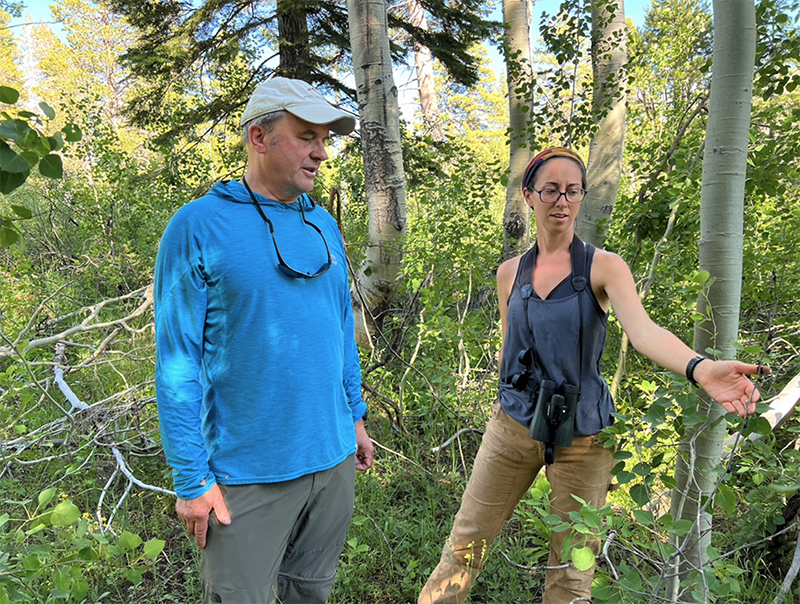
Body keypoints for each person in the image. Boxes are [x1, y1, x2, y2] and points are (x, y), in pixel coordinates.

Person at [418, 147, 766, 604]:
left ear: (581, 197)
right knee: (464, 546)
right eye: (550, 190)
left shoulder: (604, 266)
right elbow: (511, 347)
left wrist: (698, 367)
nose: (562, 201)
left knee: (572, 571)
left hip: (585, 436)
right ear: (528, 195)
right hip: (514, 428)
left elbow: (643, 332)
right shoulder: (510, 274)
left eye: (572, 191)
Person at [153, 76, 374, 604]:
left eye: (325, 139)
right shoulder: (198, 226)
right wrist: (191, 480)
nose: (321, 152)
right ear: (259, 137)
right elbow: (177, 363)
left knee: (310, 593)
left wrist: (355, 416)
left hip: (334, 459)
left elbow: (340, 327)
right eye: (306, 136)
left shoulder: (322, 223)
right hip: (246, 476)